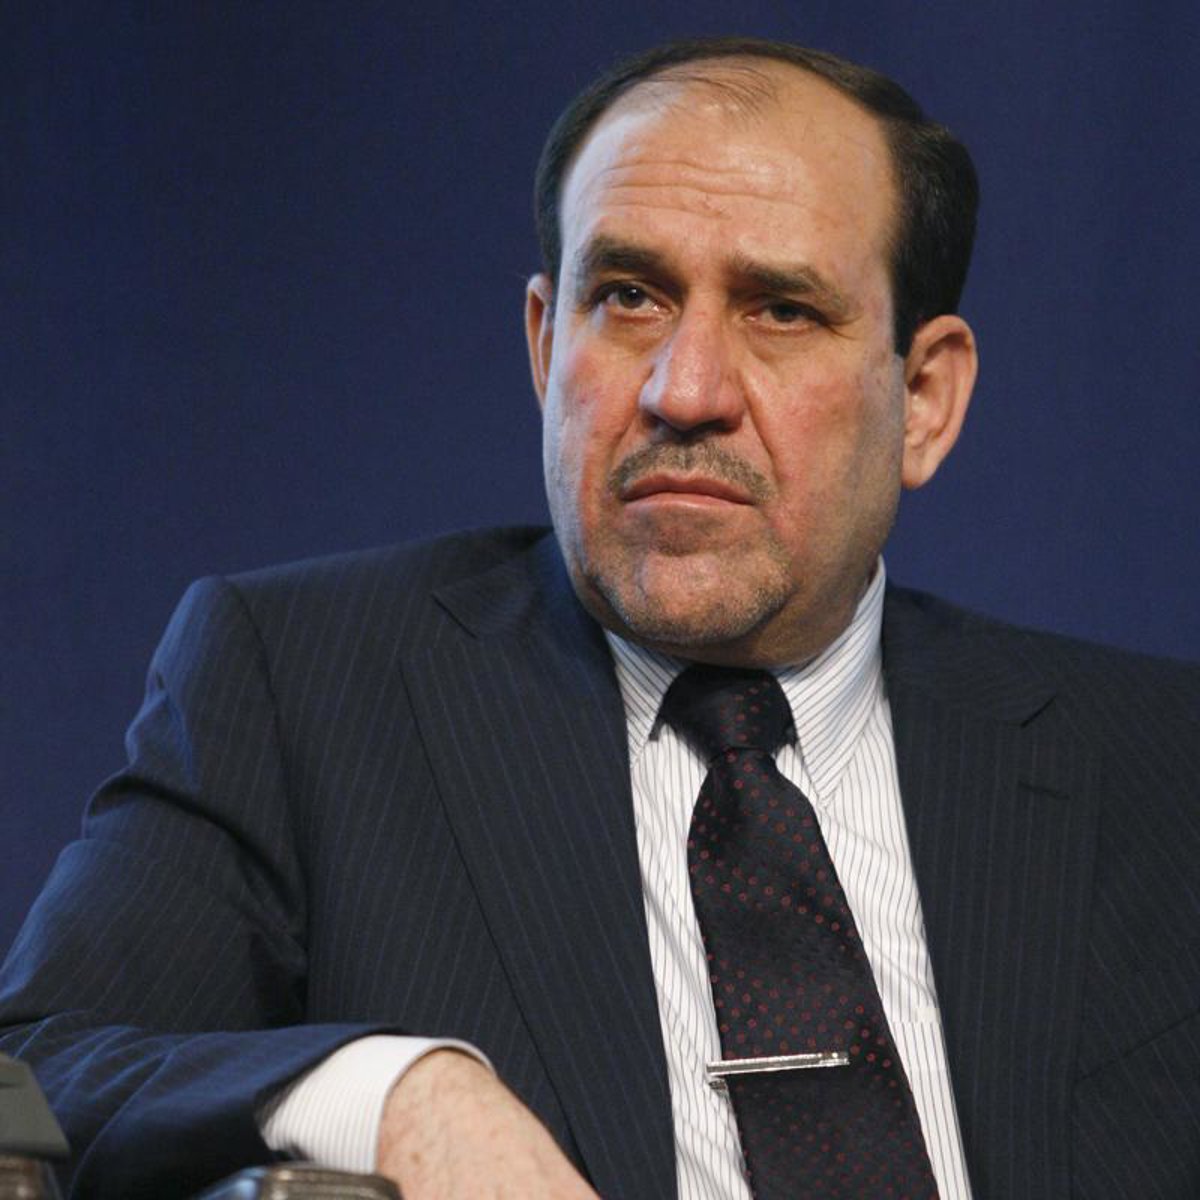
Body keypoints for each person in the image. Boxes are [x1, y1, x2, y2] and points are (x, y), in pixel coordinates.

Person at [2, 35, 1197, 1200]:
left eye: (782, 309)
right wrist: (400, 1092)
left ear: (924, 397)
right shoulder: (303, 685)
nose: (685, 389)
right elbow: (32, 1078)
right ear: (544, 346)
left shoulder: (1160, 765)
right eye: (628, 297)